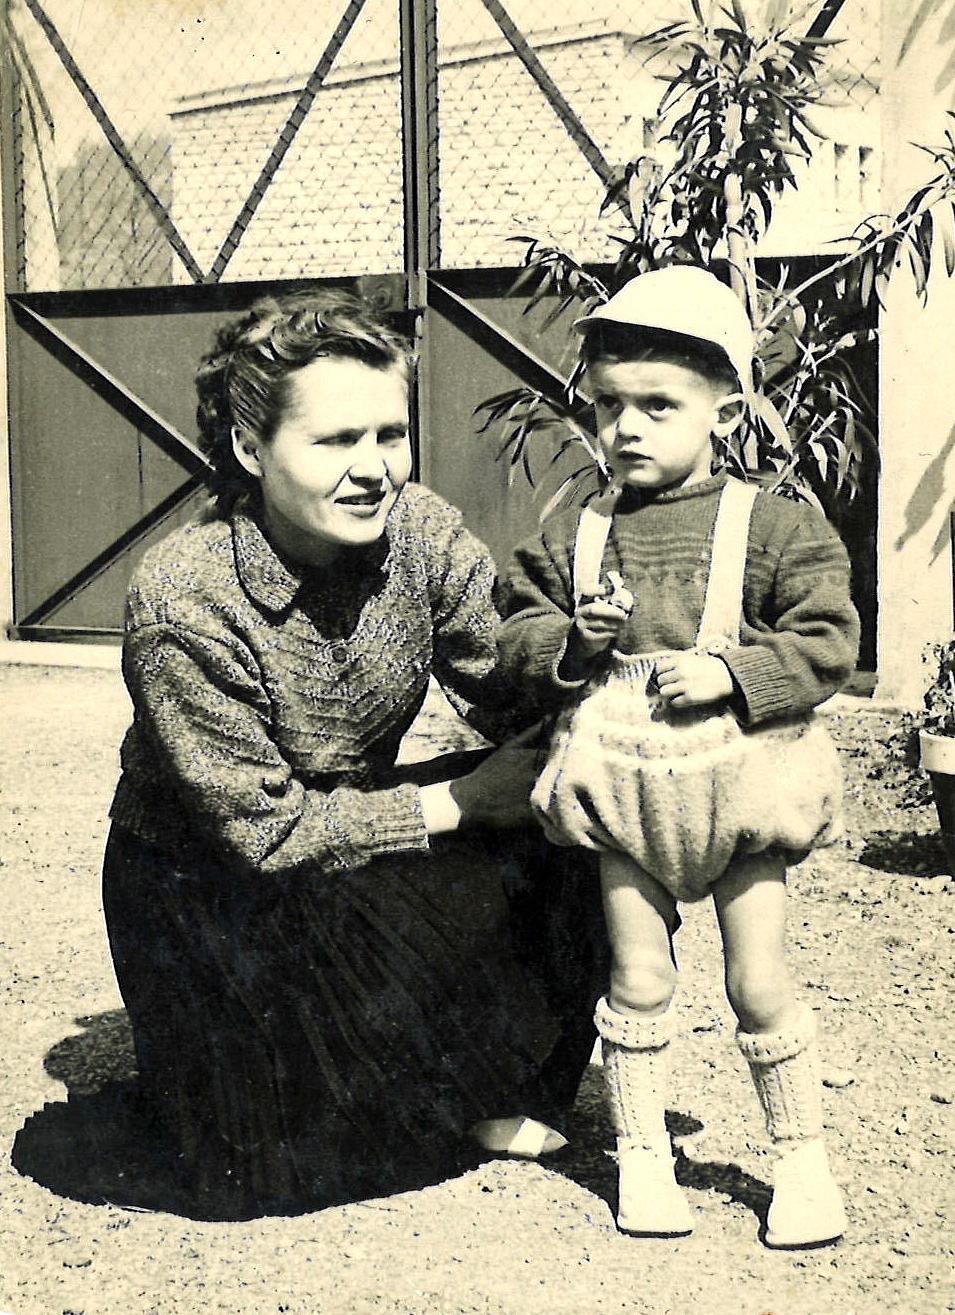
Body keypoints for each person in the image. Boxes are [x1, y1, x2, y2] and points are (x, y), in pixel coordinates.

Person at [101, 289, 605, 1218]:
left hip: (347, 839)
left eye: (390, 435)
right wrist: (460, 802)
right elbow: (262, 836)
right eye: (335, 440)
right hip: (207, 893)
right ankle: (420, 1098)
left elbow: (498, 675)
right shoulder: (184, 596)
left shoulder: (417, 531)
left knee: (574, 805)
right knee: (278, 1147)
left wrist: (575, 656)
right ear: (250, 449)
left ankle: (502, 1087)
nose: (373, 469)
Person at [496, 266, 860, 1248]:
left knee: (757, 980)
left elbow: (828, 637)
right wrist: (573, 643)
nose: (627, 428)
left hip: (737, 791)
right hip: (626, 795)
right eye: (608, 404)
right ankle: (643, 1155)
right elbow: (514, 635)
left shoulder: (772, 525)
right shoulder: (577, 536)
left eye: (658, 405)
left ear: (723, 412)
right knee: (639, 978)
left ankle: (800, 1162)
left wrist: (736, 673)